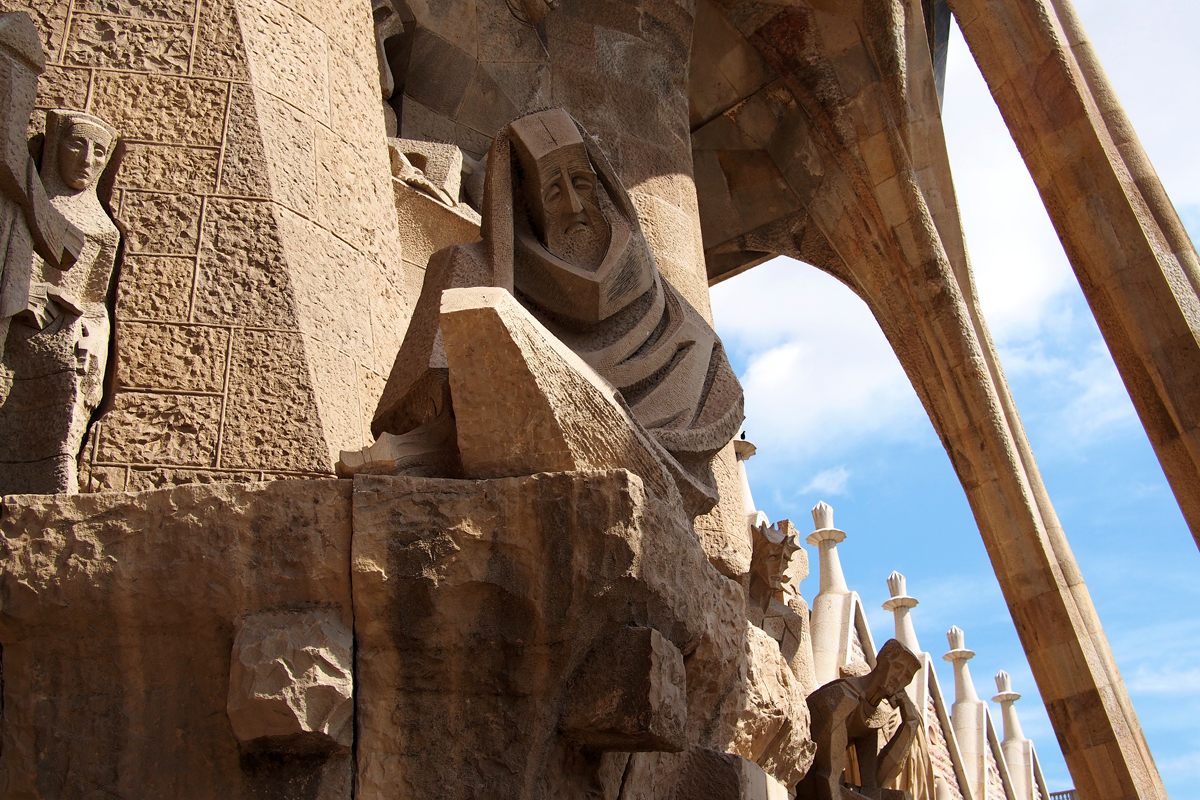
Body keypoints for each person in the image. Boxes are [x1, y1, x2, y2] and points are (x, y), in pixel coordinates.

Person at [357, 108, 743, 517]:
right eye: (554, 192)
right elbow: (416, 408)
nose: (576, 206)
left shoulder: (669, 312)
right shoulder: (471, 271)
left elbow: (719, 396)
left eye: (581, 183)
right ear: (525, 206)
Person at [0, 109, 121, 495]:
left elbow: (95, 301)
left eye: (99, 152)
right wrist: (25, 291)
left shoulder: (103, 230)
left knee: (58, 437)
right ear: (54, 148)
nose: (87, 159)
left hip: (64, 347)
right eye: (76, 144)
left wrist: (96, 340)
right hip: (17, 337)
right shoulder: (24, 206)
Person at [799, 639, 922, 800]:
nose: (898, 679)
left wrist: (911, 721)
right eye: (897, 667)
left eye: (907, 676)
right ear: (882, 661)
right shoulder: (844, 696)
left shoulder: (871, 715)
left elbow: (873, 785)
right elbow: (826, 777)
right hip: (802, 778)